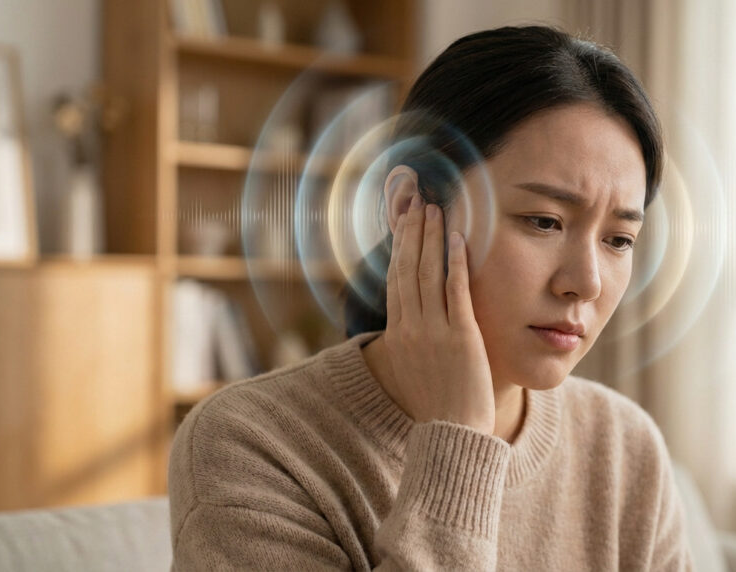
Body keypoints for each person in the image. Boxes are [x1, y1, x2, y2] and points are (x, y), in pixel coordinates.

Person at [169, 25, 692, 571]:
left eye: (618, 240)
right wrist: (457, 439)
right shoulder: (251, 445)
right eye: (543, 221)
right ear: (408, 207)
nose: (586, 282)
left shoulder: (624, 447)